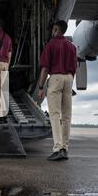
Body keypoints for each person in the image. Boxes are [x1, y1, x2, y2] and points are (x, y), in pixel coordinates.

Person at [37, 20, 78, 161]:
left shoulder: (51, 45)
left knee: (54, 114)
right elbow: (74, 68)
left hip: (55, 78)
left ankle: (57, 148)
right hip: (69, 78)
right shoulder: (72, 47)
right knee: (67, 116)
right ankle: (65, 149)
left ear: (55, 29)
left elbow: (45, 68)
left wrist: (41, 87)